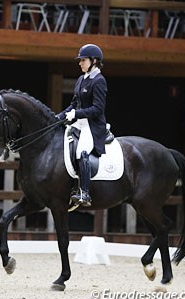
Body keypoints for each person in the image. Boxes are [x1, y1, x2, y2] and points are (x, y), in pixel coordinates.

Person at [56, 43, 108, 207]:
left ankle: (85, 193)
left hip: (92, 126)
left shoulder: (99, 81)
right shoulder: (81, 79)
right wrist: (59, 116)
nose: (80, 63)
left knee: (82, 151)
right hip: (78, 123)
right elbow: (74, 104)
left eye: (83, 60)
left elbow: (98, 109)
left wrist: (76, 114)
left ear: (94, 61)